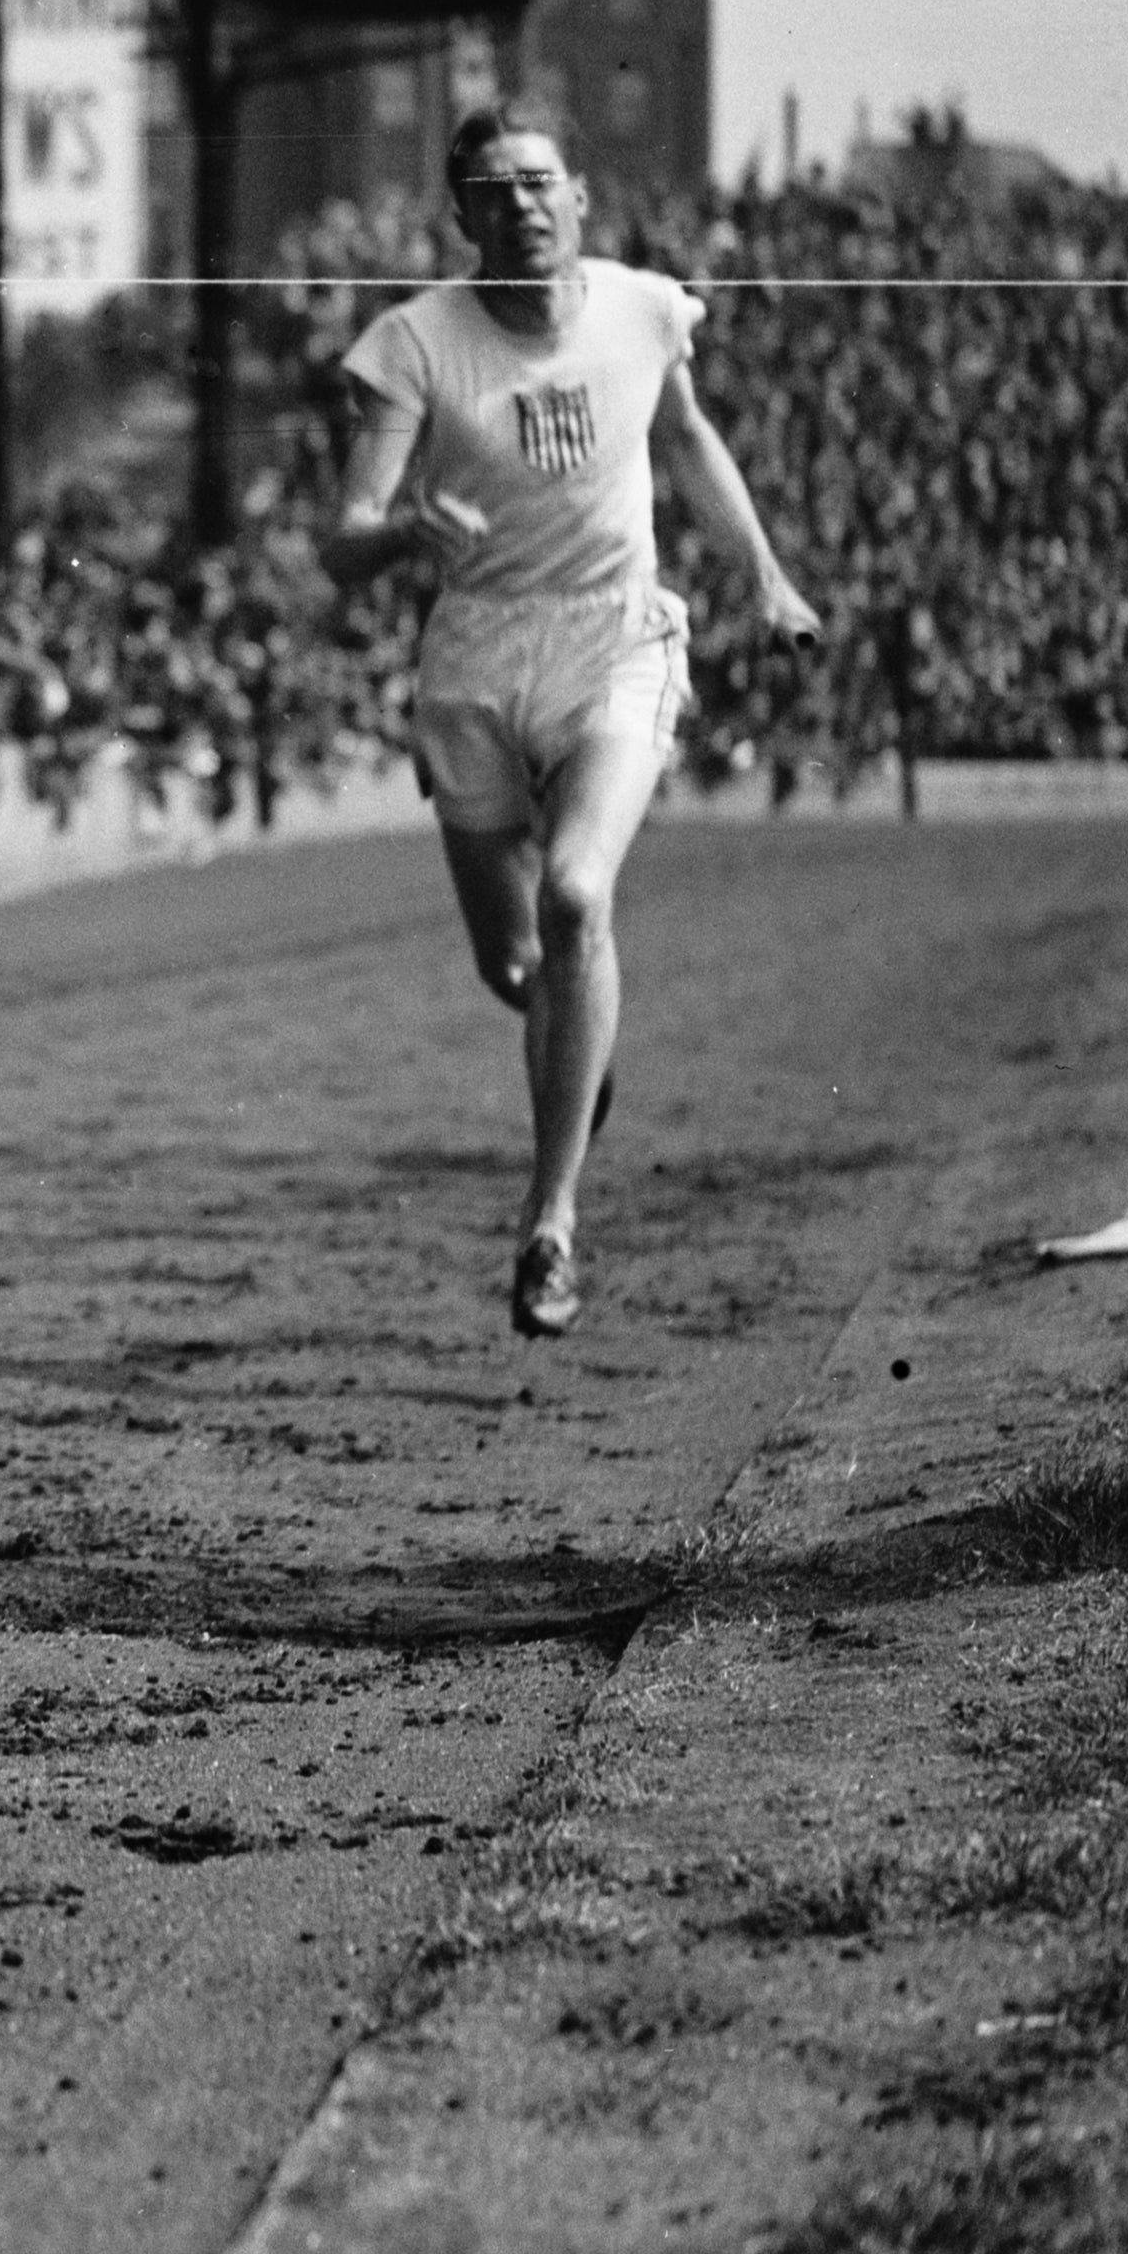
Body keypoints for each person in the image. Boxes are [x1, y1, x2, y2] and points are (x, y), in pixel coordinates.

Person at [323, 104, 818, 1338]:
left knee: (578, 896)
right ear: (462, 217)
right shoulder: (414, 344)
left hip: (612, 633)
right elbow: (343, 539)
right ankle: (570, 1056)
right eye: (491, 191)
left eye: (538, 183)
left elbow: (687, 436)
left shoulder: (645, 309)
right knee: (514, 966)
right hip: (477, 654)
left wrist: (761, 572)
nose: (521, 207)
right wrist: (399, 533)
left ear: (580, 197)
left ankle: (550, 1222)